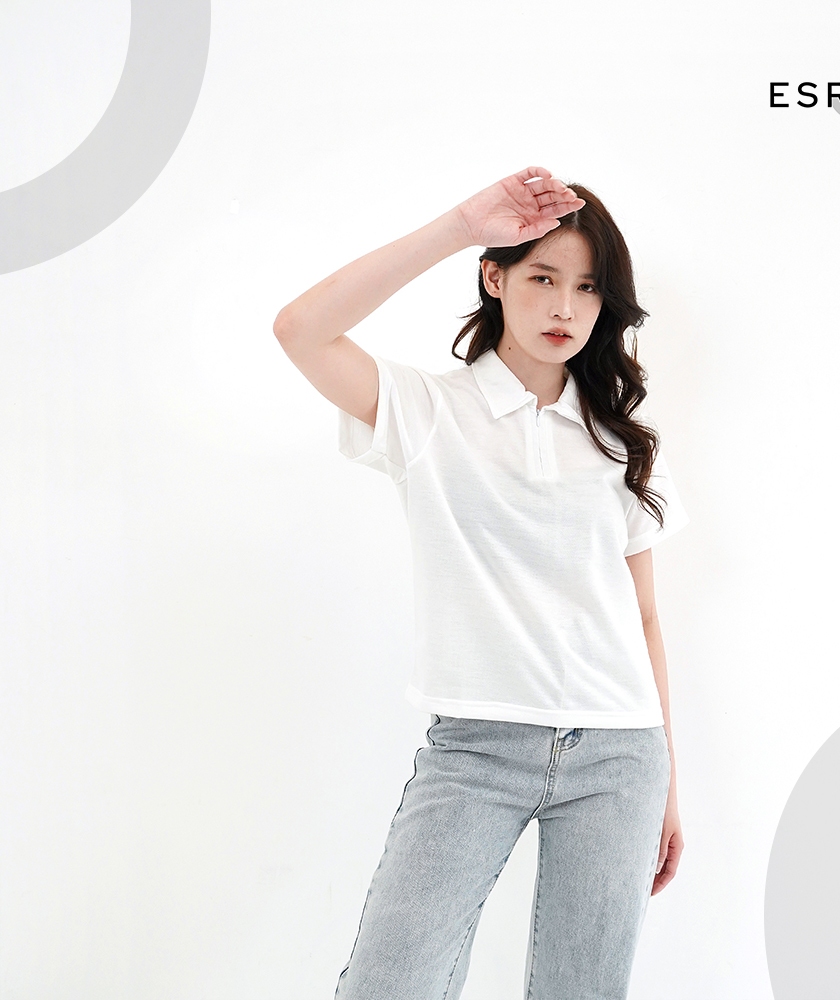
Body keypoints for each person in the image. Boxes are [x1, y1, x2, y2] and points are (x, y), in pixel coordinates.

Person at [273, 165, 690, 999]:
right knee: (388, 985)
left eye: (588, 288)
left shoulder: (621, 444)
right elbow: (301, 330)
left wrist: (669, 781)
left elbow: (643, 615)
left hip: (621, 754)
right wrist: (460, 227)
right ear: (495, 279)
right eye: (542, 278)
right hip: (476, 749)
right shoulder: (428, 411)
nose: (565, 307)